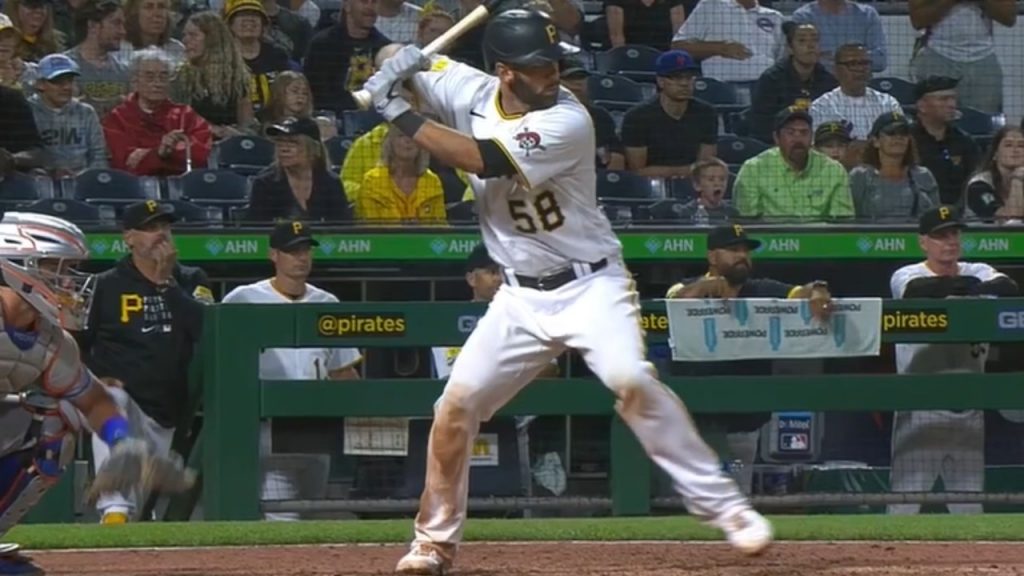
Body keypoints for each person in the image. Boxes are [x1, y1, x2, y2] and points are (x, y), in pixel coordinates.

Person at [361, 10, 773, 575]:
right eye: (539, 66)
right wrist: (396, 62)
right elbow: (395, 60)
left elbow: (481, 159)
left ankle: (725, 507)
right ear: (504, 71)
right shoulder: (465, 87)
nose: (554, 73)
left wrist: (395, 107)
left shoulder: (568, 119)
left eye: (557, 63)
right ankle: (433, 542)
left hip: (591, 285)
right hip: (518, 299)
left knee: (632, 381)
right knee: (453, 409)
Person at [0, 211, 193, 573]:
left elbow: (92, 400)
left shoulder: (52, 341)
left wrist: (124, 445)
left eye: (70, 269)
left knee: (56, 420)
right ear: (17, 265)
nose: (68, 281)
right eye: (55, 267)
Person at [665, 225, 832, 494]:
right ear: (712, 256)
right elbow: (673, 300)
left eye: (745, 251)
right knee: (692, 496)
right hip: (697, 417)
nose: (742, 256)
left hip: (745, 420)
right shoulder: (686, 286)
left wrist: (818, 290)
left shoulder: (761, 289)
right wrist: (701, 288)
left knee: (738, 494)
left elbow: (801, 292)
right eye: (733, 250)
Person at [78, 200, 214, 524]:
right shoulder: (104, 284)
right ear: (129, 238)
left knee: (140, 510)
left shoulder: (192, 278)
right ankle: (113, 510)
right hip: (126, 403)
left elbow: (206, 330)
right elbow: (77, 345)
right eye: (151, 228)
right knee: (111, 399)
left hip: (168, 408)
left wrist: (166, 283)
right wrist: (96, 375)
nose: (161, 235)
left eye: (165, 227)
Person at [222, 221, 362, 521]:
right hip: (268, 426)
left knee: (310, 511)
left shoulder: (327, 302)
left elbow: (343, 372)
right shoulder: (243, 299)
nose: (301, 257)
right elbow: (222, 364)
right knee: (282, 515)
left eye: (306, 250)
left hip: (316, 426)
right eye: (292, 251)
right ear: (273, 255)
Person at [888, 205, 1019, 515]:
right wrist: (965, 289)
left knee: (969, 506)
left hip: (968, 408)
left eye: (954, 234)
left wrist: (967, 286)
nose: (950, 242)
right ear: (924, 242)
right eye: (940, 236)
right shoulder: (908, 274)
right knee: (904, 504)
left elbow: (1007, 286)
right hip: (920, 408)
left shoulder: (979, 270)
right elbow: (915, 292)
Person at [103, 48, 212, 176]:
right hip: (136, 190)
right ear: (134, 82)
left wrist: (165, 151)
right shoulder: (118, 117)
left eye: (163, 76)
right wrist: (159, 152)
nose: (158, 83)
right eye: (150, 77)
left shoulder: (186, 115)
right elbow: (125, 164)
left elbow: (203, 156)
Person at [733, 106, 853, 221]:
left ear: (811, 137)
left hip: (820, 240)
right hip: (773, 240)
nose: (798, 139)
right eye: (791, 132)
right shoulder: (754, 170)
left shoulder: (833, 170)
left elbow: (842, 222)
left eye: (804, 132)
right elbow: (747, 222)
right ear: (776, 138)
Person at [621, 49, 716, 179]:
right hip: (650, 187)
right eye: (677, 77)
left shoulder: (706, 113)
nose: (684, 83)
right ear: (660, 81)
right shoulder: (638, 117)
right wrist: (687, 170)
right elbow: (638, 172)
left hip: (693, 185)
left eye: (689, 77)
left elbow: (706, 167)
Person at [246, 116, 353, 222]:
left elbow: (342, 229)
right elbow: (257, 231)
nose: (284, 149)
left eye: (293, 142)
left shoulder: (331, 183)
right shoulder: (265, 183)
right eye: (280, 142)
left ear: (313, 149)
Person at [28, 53, 109, 177]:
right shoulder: (27, 110)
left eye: (69, 81)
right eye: (57, 82)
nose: (66, 87)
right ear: (40, 84)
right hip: (39, 182)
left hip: (83, 183)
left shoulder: (86, 112)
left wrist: (85, 177)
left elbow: (98, 155)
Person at [850, 112, 939, 222]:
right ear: (876, 141)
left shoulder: (923, 175)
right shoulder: (860, 176)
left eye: (904, 133)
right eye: (891, 133)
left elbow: (935, 218)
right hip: (873, 237)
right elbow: (851, 217)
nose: (898, 137)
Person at [910, 76, 979, 206]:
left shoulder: (965, 141)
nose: (952, 105)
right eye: (944, 99)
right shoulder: (908, 140)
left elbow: (973, 181)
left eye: (953, 99)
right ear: (922, 106)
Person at [356, 127, 447, 225]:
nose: (408, 140)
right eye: (401, 136)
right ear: (390, 143)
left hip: (423, 239)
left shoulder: (432, 182)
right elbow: (369, 228)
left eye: (413, 136)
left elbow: (440, 226)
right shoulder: (372, 181)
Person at [964, 126, 1024, 223]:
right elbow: (1011, 221)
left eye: (1021, 146)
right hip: (984, 237)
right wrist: (1017, 179)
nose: (1015, 150)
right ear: (995, 153)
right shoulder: (978, 185)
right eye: (1008, 145)